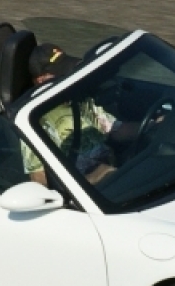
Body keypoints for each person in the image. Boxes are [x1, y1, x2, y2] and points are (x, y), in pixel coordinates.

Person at [21, 44, 124, 186]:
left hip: (117, 172)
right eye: (62, 74)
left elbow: (117, 130)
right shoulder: (35, 122)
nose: (70, 77)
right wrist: (94, 177)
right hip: (93, 193)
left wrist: (156, 125)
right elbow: (43, 183)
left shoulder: (79, 99)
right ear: (41, 80)